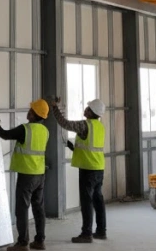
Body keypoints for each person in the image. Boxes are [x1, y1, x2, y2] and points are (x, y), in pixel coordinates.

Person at [0, 99, 51, 251]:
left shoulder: (25, 129)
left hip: (27, 175)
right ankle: (39, 241)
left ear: (36, 114)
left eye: (31, 111)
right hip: (40, 175)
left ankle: (22, 243)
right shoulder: (45, 131)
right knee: (38, 208)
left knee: (22, 209)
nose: (28, 112)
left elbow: (4, 135)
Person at [50, 97, 107, 244]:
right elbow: (90, 146)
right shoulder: (99, 126)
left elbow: (65, 123)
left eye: (87, 108)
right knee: (98, 200)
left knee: (86, 201)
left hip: (88, 169)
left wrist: (55, 107)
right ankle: (101, 231)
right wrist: (72, 147)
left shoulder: (85, 125)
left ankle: (86, 234)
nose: (85, 109)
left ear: (91, 112)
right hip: (99, 168)